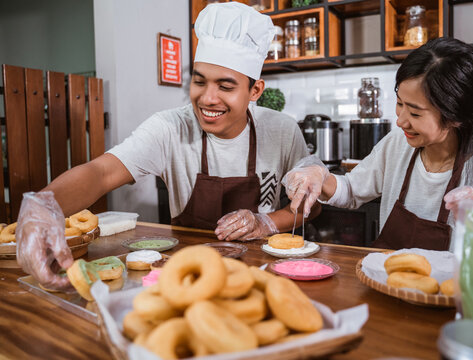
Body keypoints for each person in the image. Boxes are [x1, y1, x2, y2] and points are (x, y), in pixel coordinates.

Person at [16, 2, 319, 289]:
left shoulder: (281, 130)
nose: (207, 98)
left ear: (255, 90)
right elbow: (101, 172)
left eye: (225, 86)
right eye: (199, 82)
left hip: (265, 273)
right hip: (186, 275)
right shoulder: (169, 127)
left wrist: (266, 221)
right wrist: (43, 205)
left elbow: (312, 205)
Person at [283, 37, 473, 252]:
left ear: (455, 116)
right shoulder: (399, 144)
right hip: (385, 286)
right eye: (400, 103)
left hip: (452, 299)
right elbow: (351, 191)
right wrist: (320, 176)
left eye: (416, 113)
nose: (400, 121)